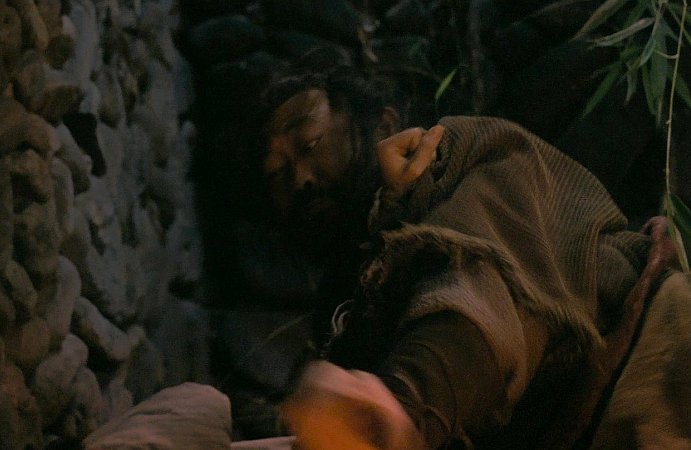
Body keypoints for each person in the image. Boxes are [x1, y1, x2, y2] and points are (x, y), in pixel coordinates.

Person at [260, 61, 691, 449]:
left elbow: (487, 269)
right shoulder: (347, 313)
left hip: (660, 366)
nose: (300, 178)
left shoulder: (462, 154)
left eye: (309, 144)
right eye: (277, 174)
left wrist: (400, 406)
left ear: (383, 124)